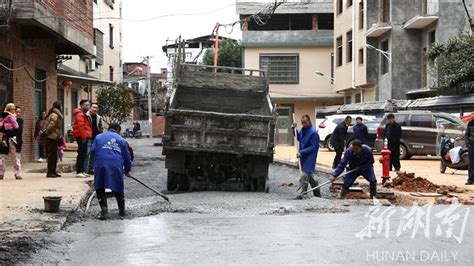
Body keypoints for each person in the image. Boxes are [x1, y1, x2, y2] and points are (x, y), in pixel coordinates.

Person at [91, 123, 132, 219]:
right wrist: (127, 170)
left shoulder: (98, 137)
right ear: (118, 129)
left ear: (109, 128)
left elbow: (92, 151)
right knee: (118, 186)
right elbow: (127, 157)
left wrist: (95, 163)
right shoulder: (122, 140)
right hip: (116, 165)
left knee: (99, 186)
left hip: (100, 164)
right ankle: (122, 211)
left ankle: (104, 210)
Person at [294, 114, 321, 198]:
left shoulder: (313, 133)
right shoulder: (303, 130)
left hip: (310, 157)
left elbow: (313, 147)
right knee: (310, 177)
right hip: (303, 156)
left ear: (309, 121)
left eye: (305, 122)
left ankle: (303, 194)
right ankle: (317, 193)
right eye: (302, 122)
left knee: (304, 176)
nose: (303, 124)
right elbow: (299, 138)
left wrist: (302, 152)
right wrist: (293, 129)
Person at [0, 103, 21, 180]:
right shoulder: (6, 117)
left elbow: (18, 130)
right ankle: (1, 173)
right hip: (5, 139)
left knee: (16, 157)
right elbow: (1, 128)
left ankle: (17, 174)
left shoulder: (19, 120)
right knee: (2, 157)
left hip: (13, 139)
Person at [72, 100, 92, 178]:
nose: (87, 106)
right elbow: (81, 127)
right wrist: (84, 137)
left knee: (84, 153)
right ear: (81, 106)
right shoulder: (80, 114)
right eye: (85, 105)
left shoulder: (83, 114)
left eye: (88, 105)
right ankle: (79, 171)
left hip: (84, 136)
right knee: (81, 153)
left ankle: (82, 170)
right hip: (81, 136)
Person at [45, 101, 63, 178]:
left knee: (54, 156)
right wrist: (47, 132)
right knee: (52, 156)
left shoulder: (55, 114)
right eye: (61, 105)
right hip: (52, 136)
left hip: (54, 136)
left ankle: (53, 171)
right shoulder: (55, 115)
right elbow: (52, 125)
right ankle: (50, 172)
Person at [85, 103, 103, 175]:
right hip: (88, 137)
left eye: (96, 108)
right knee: (87, 153)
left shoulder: (99, 117)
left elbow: (100, 126)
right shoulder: (86, 116)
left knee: (94, 154)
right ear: (90, 108)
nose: (95, 109)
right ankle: (85, 169)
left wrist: (101, 133)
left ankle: (91, 169)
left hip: (96, 138)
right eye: (93, 107)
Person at [465, 113, 474, 185]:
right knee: (471, 163)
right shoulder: (470, 123)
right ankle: (470, 180)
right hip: (472, 146)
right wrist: (468, 144)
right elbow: (466, 134)